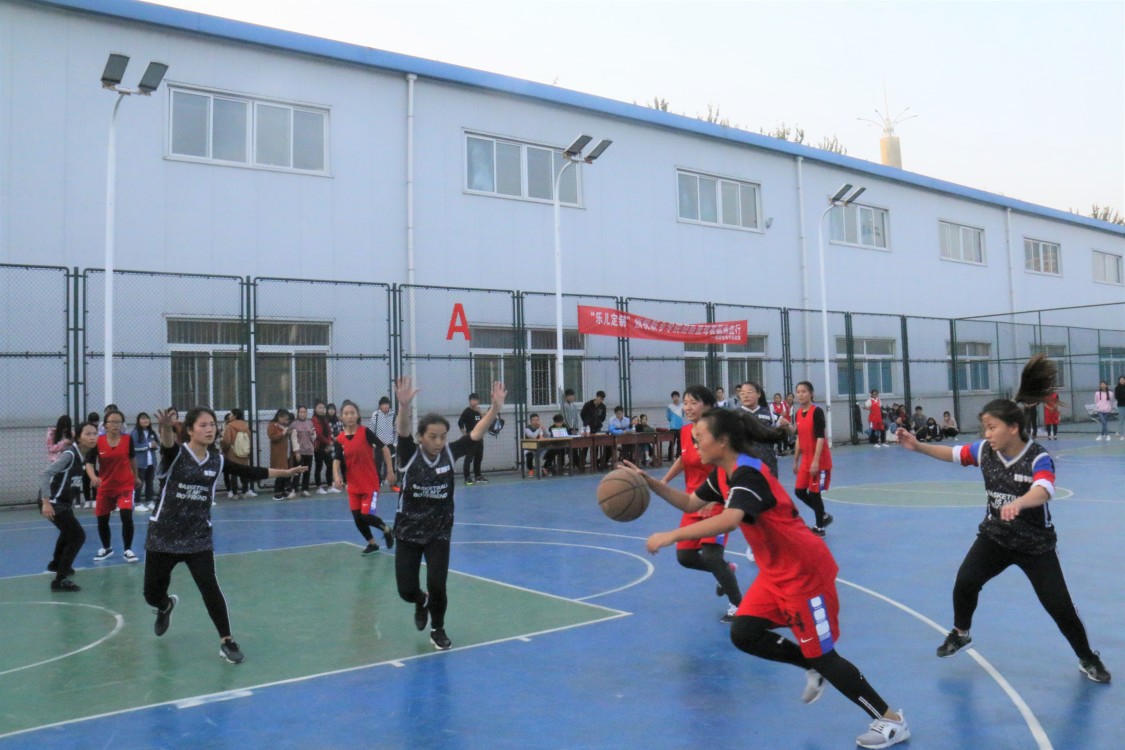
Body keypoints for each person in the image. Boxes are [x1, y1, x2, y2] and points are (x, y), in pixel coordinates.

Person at [635, 408, 910, 749]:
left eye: (699, 437)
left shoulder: (748, 474)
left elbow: (730, 519)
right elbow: (691, 502)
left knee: (824, 655)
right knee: (744, 632)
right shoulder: (723, 473)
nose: (694, 444)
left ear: (722, 441)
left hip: (804, 572)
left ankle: (890, 720)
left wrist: (671, 536)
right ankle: (812, 665)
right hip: (775, 571)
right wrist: (651, 483)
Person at [897, 354, 1110, 684]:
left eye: (992, 427)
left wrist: (1019, 503)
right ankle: (961, 633)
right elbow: (953, 454)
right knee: (965, 581)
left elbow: (1044, 490)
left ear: (1013, 428)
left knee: (1060, 607)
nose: (987, 433)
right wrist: (918, 446)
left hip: (1035, 545)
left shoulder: (1037, 456)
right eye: (985, 427)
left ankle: (1087, 657)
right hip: (995, 537)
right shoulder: (985, 450)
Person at [145, 407, 306, 664]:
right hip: (163, 535)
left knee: (209, 587)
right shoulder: (176, 455)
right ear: (189, 430)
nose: (210, 429)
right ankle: (165, 605)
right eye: (203, 425)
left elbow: (250, 472)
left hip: (197, 536)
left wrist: (284, 473)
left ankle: (227, 641)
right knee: (151, 594)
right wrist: (165, 427)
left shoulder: (216, 460)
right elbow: (166, 446)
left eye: (212, 424)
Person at [393, 376, 506, 651]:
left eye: (443, 436)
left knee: (438, 584)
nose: (438, 442)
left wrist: (494, 409)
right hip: (408, 531)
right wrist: (404, 407)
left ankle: (438, 628)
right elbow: (404, 431)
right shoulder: (409, 455)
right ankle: (420, 600)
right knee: (406, 590)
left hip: (439, 531)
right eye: (432, 436)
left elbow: (475, 434)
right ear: (421, 437)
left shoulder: (449, 454)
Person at [660, 385, 741, 623]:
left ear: (707, 406)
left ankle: (739, 605)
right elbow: (684, 458)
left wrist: (714, 497)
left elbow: (725, 464)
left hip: (717, 502)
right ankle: (725, 570)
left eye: (693, 403)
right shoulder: (686, 431)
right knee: (685, 557)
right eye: (685, 403)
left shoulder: (717, 432)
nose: (688, 407)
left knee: (712, 556)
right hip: (693, 502)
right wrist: (664, 481)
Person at [40, 421, 97, 591]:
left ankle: (56, 564)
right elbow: (45, 474)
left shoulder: (83, 455)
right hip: (53, 502)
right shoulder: (70, 455)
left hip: (63, 502)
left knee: (68, 532)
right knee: (78, 536)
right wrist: (46, 502)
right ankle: (60, 580)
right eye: (87, 434)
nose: (92, 437)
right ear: (78, 437)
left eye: (94, 433)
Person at [333, 399, 396, 554]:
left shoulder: (365, 432)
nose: (349, 416)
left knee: (366, 515)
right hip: (353, 485)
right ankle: (372, 544)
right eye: (346, 413)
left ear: (358, 415)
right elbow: (336, 460)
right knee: (357, 518)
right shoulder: (340, 439)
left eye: (352, 413)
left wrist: (390, 470)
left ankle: (387, 530)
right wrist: (336, 476)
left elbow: (385, 449)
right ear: (341, 417)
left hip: (370, 484)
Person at [85, 407, 140, 563]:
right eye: (112, 422)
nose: (116, 424)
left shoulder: (128, 439)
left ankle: (128, 550)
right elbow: (89, 463)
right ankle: (106, 548)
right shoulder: (98, 441)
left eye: (118, 422)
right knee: (102, 518)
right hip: (105, 485)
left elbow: (132, 459)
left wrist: (136, 477)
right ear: (105, 425)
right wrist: (93, 477)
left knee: (126, 515)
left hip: (125, 484)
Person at [792, 382, 833, 536]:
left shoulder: (817, 412)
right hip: (805, 459)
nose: (800, 394)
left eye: (804, 391)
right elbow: (799, 438)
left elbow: (820, 438)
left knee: (815, 493)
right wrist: (796, 460)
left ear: (811, 394)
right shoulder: (797, 413)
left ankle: (820, 527)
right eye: (798, 391)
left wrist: (816, 461)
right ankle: (823, 515)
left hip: (819, 460)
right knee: (799, 491)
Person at [735, 380, 782, 477]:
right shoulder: (734, 415)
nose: (745, 396)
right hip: (744, 465)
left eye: (749, 392)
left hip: (767, 462)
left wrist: (786, 428)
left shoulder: (769, 414)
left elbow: (788, 430)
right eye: (742, 393)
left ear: (759, 394)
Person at [220, 408, 255, 498]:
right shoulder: (245, 425)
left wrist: (224, 449)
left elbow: (227, 441)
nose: (229, 416)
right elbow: (249, 438)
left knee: (234, 473)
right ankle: (245, 491)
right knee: (244, 471)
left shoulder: (230, 426)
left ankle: (235, 493)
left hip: (232, 452)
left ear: (235, 416)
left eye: (231, 414)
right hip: (244, 452)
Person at [131, 412, 160, 512]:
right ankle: (137, 503)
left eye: (147, 418)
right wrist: (149, 445)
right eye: (143, 418)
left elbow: (157, 444)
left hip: (151, 462)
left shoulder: (151, 432)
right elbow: (134, 447)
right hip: (140, 463)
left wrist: (155, 445)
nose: (145, 420)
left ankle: (149, 501)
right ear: (138, 421)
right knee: (139, 483)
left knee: (150, 482)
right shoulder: (135, 433)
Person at [458, 393, 487, 485]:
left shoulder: (478, 411)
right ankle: (467, 478)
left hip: (479, 438)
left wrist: (480, 412)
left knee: (479, 457)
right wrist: (465, 435)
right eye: (473, 400)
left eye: (476, 400)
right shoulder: (467, 411)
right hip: (470, 438)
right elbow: (460, 423)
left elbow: (485, 421)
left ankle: (478, 476)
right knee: (469, 458)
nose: (475, 402)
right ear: (470, 401)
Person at [369, 396, 398, 487]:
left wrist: (395, 444)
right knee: (377, 464)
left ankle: (389, 482)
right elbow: (371, 430)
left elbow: (396, 431)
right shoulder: (376, 415)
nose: (385, 406)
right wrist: (373, 444)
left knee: (390, 464)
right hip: (378, 445)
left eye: (387, 404)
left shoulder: (393, 416)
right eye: (383, 404)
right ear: (380, 406)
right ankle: (377, 482)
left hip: (390, 444)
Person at [267, 409, 294, 499]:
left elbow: (288, 433)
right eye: (285, 419)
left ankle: (282, 491)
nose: (287, 421)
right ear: (279, 417)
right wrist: (282, 433)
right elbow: (272, 437)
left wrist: (287, 431)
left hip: (285, 453)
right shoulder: (272, 425)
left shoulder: (283, 426)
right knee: (280, 473)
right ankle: (277, 493)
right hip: (278, 453)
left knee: (285, 473)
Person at [290, 405, 316, 497]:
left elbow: (313, 437)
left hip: (309, 451)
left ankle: (305, 489)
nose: (302, 413)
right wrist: (296, 452)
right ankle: (293, 490)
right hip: (299, 452)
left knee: (307, 471)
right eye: (300, 412)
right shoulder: (294, 424)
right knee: (297, 471)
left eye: (304, 412)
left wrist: (313, 434)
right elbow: (293, 439)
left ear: (306, 413)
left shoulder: (310, 423)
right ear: (297, 413)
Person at [312, 400, 335, 494]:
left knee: (330, 464)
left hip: (326, 446)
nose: (322, 409)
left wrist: (329, 442)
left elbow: (329, 431)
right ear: (315, 409)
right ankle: (319, 487)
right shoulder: (314, 419)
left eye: (323, 408)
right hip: (318, 447)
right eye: (319, 408)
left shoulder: (325, 419)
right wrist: (328, 442)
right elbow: (318, 434)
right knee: (319, 466)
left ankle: (330, 486)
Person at [523, 413, 551, 477]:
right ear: (530, 421)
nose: (536, 421)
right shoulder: (527, 429)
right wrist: (539, 429)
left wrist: (544, 428)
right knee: (529, 456)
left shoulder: (540, 427)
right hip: (530, 448)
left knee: (551, 452)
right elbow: (533, 436)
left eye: (537, 420)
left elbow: (549, 435)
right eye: (533, 420)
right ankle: (530, 470)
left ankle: (545, 468)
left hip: (540, 448)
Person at [325, 403, 345, 488]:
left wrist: (339, 438)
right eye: (330, 409)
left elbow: (343, 430)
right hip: (330, 445)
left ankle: (343, 481)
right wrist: (334, 438)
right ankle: (331, 483)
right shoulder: (325, 421)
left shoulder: (338, 421)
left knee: (342, 463)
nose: (331, 411)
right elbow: (327, 434)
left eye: (333, 409)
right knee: (331, 464)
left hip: (339, 445)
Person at [666, 391, 684, 460]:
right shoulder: (669, 407)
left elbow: (683, 415)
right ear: (672, 398)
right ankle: (670, 457)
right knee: (671, 443)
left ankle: (678, 457)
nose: (675, 398)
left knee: (680, 442)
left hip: (680, 427)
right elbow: (668, 418)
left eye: (677, 396)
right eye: (674, 397)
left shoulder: (682, 406)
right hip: (673, 427)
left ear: (679, 397)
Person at [1116, 375, 1125, 440]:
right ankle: (1122, 434)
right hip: (1121, 406)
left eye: (1123, 379)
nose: (1122, 381)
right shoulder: (1117, 388)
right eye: (1120, 380)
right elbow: (1117, 397)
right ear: (1119, 381)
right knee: (1121, 420)